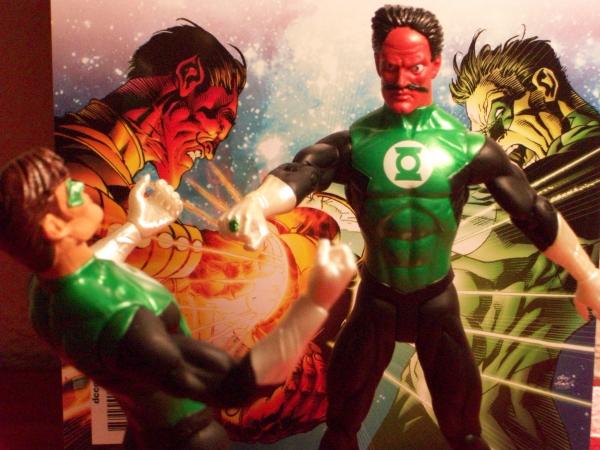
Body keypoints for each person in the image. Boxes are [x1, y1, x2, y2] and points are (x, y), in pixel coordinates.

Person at [219, 5, 600, 450]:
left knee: (465, 430)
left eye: (414, 67)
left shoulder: (466, 148)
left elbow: (532, 211)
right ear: (379, 62)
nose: (402, 80)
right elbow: (301, 172)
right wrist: (257, 203)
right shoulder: (355, 143)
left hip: (436, 302)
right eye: (391, 67)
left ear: (433, 64)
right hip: (376, 302)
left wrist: (586, 273)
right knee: (342, 426)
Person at [0, 147, 356, 449]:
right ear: (54, 227)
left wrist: (135, 229)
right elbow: (236, 386)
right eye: (71, 193)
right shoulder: (123, 319)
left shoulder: (43, 295)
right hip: (188, 437)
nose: (81, 187)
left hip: (141, 429)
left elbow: (89, 266)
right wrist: (315, 303)